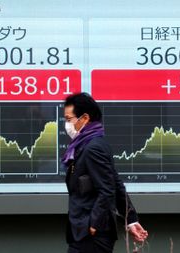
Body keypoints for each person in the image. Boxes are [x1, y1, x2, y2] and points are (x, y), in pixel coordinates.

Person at [62, 93, 148, 253]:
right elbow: (115, 183)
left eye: (69, 119)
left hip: (91, 235)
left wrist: (93, 224)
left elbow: (107, 190)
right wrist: (130, 220)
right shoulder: (89, 144)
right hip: (85, 233)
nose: (66, 125)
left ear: (85, 118)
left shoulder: (93, 147)